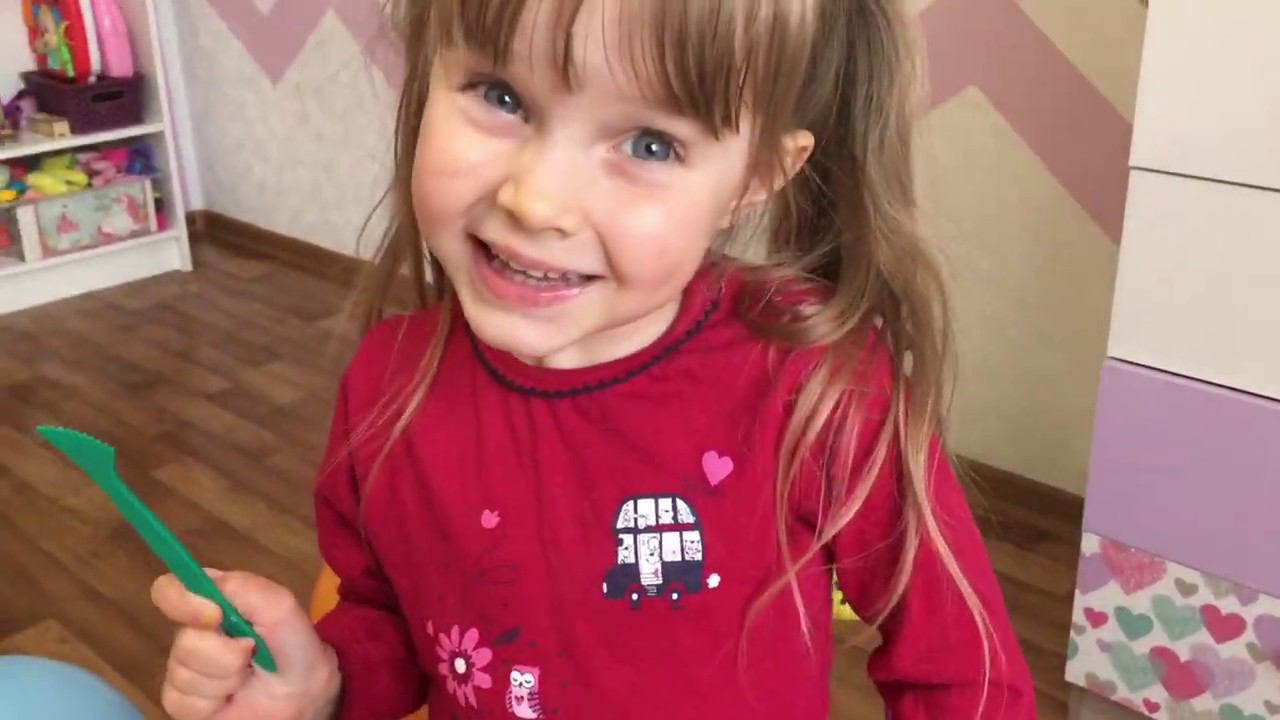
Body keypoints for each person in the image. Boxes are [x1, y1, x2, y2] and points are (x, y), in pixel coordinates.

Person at [149, 0, 1037, 718]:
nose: (537, 200)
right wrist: (321, 684)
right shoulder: (388, 384)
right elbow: (395, 618)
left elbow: (966, 679)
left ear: (757, 177)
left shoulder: (816, 382)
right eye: (500, 95)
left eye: (649, 144)